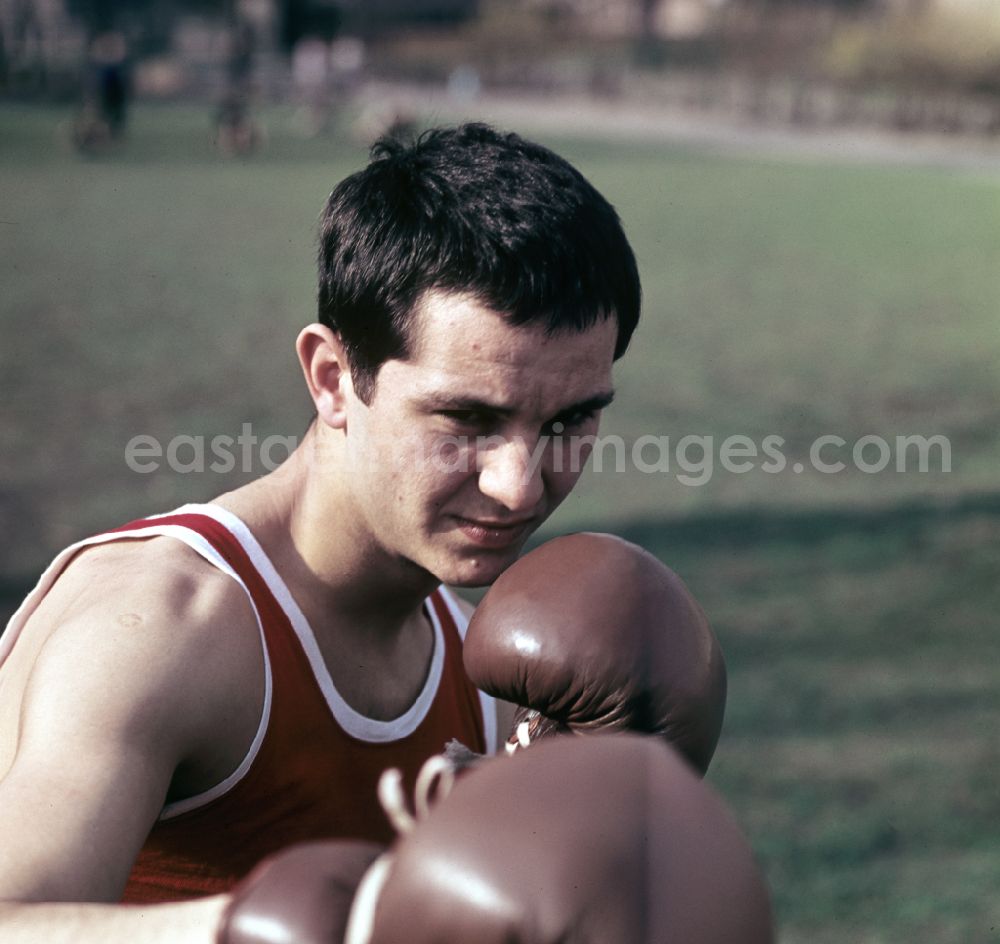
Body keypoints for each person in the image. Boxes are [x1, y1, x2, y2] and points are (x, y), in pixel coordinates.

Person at [0, 123, 641, 942]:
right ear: (334, 379)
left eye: (570, 420)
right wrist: (272, 927)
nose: (519, 484)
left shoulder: (486, 680)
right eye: (466, 418)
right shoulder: (161, 628)